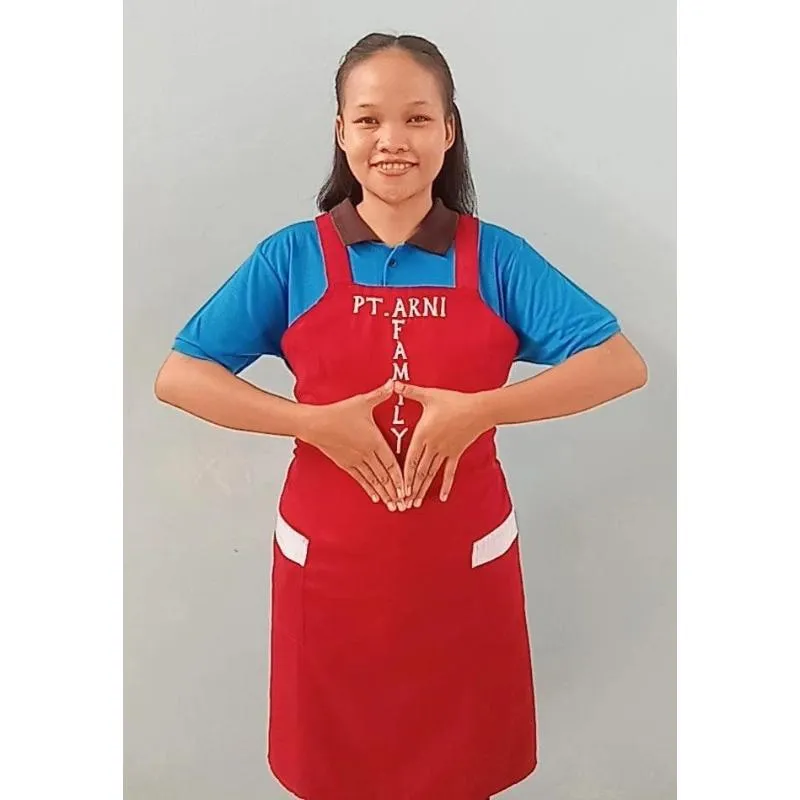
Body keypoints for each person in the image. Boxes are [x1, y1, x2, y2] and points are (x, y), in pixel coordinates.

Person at [154, 31, 647, 800]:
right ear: (340, 131)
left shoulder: (497, 259)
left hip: (461, 570)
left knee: (461, 769)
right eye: (369, 119)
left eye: (417, 119)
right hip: (331, 571)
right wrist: (310, 422)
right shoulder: (292, 259)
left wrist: (482, 411)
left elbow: (618, 363)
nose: (393, 140)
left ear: (449, 132)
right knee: (334, 770)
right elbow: (182, 375)